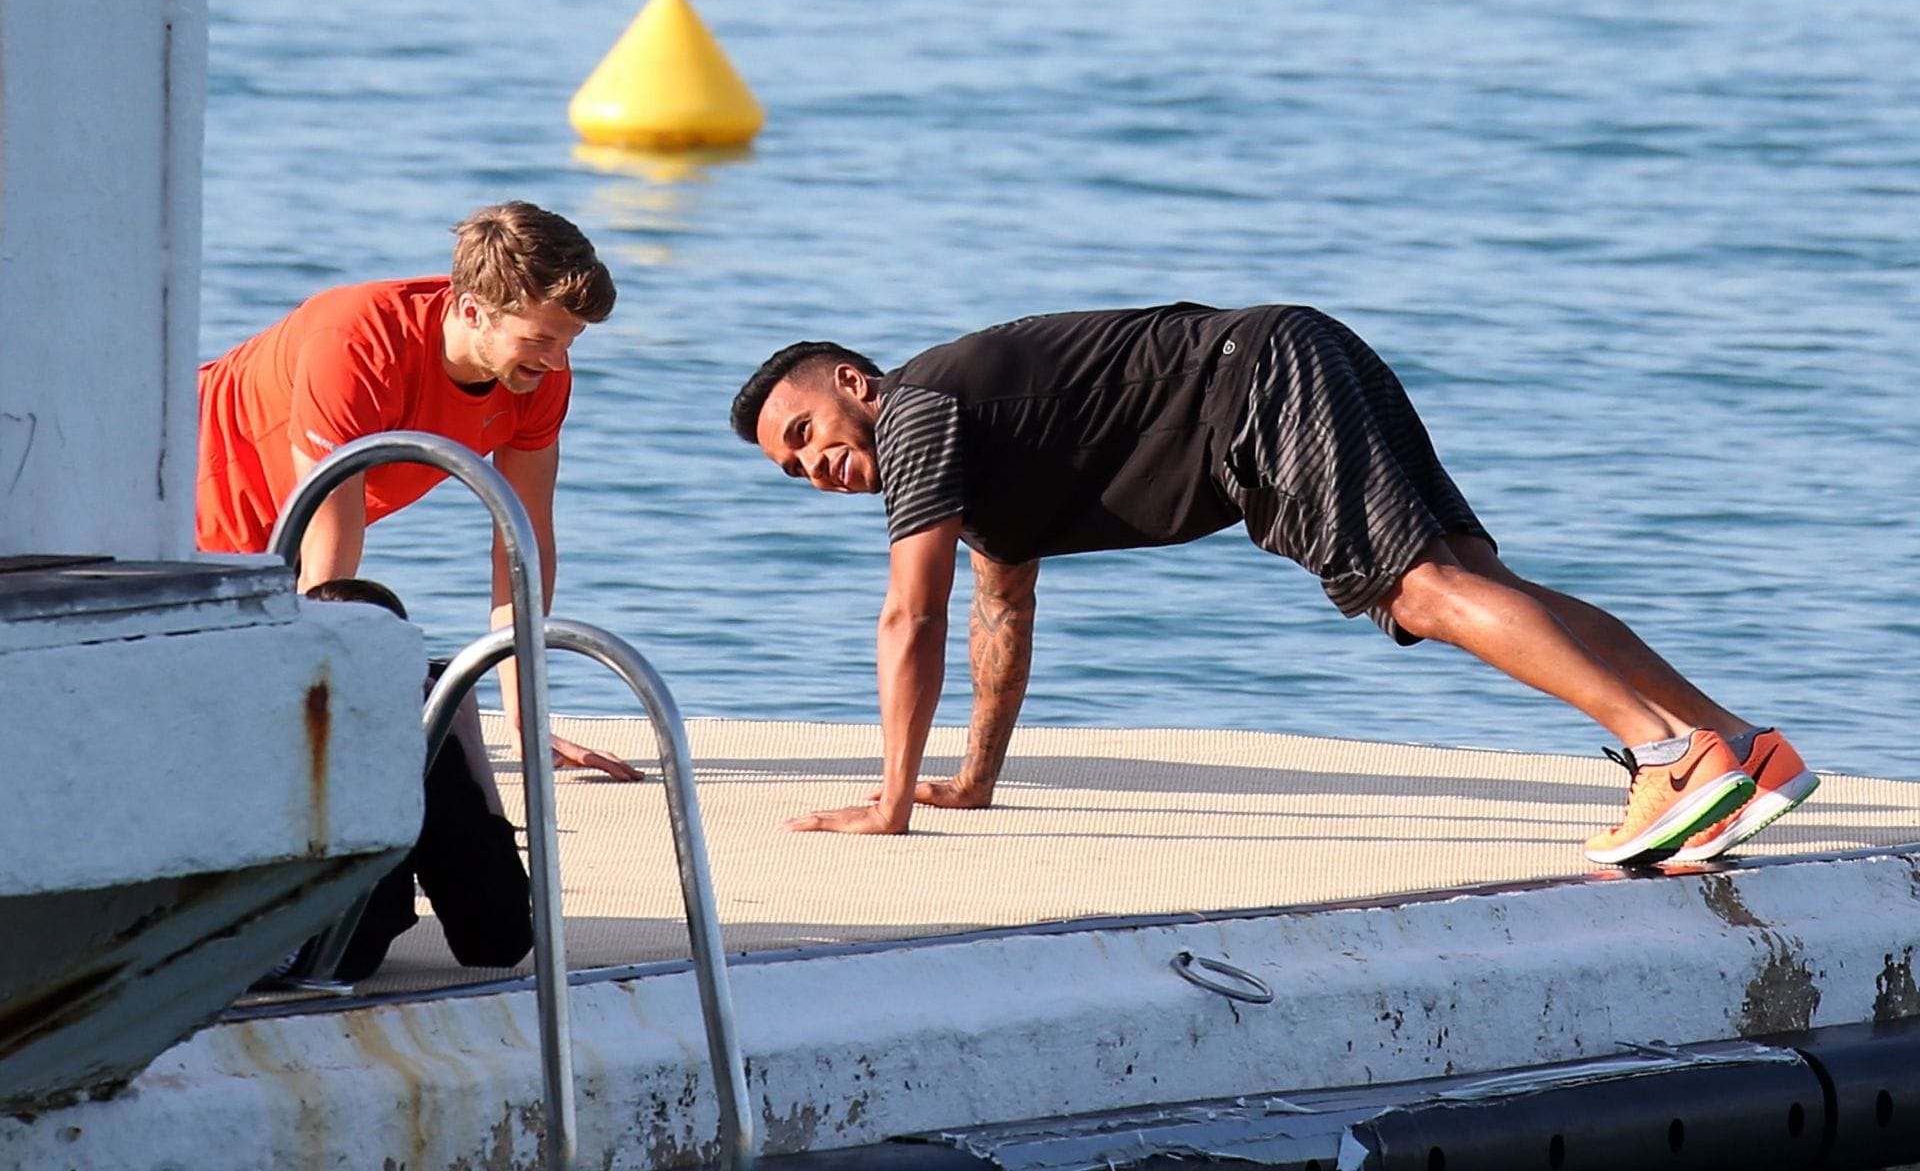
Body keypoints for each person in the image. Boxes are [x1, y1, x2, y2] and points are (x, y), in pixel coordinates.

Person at [730, 302, 1818, 865]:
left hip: (1256, 385)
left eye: (807, 434)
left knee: (1424, 590)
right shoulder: (977, 447)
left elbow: (908, 613)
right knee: (1473, 577)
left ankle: (1671, 755)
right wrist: (970, 781)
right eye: (791, 470)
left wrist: (888, 808)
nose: (813, 468)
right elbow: (992, 612)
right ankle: (1743, 747)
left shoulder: (921, 410)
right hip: (1286, 352)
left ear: (853, 384)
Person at [197, 200, 642, 781]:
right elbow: (329, 554)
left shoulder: (536, 375)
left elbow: (523, 545)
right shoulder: (356, 341)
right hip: (178, 492)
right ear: (472, 311)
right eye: (540, 339)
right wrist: (315, 720)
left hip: (272, 536)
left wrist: (526, 721)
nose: (558, 363)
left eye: (570, 341)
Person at [262, 578, 534, 985]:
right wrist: (461, 741)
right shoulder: (398, 735)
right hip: (312, 952)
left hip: (188, 945)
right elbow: (495, 942)